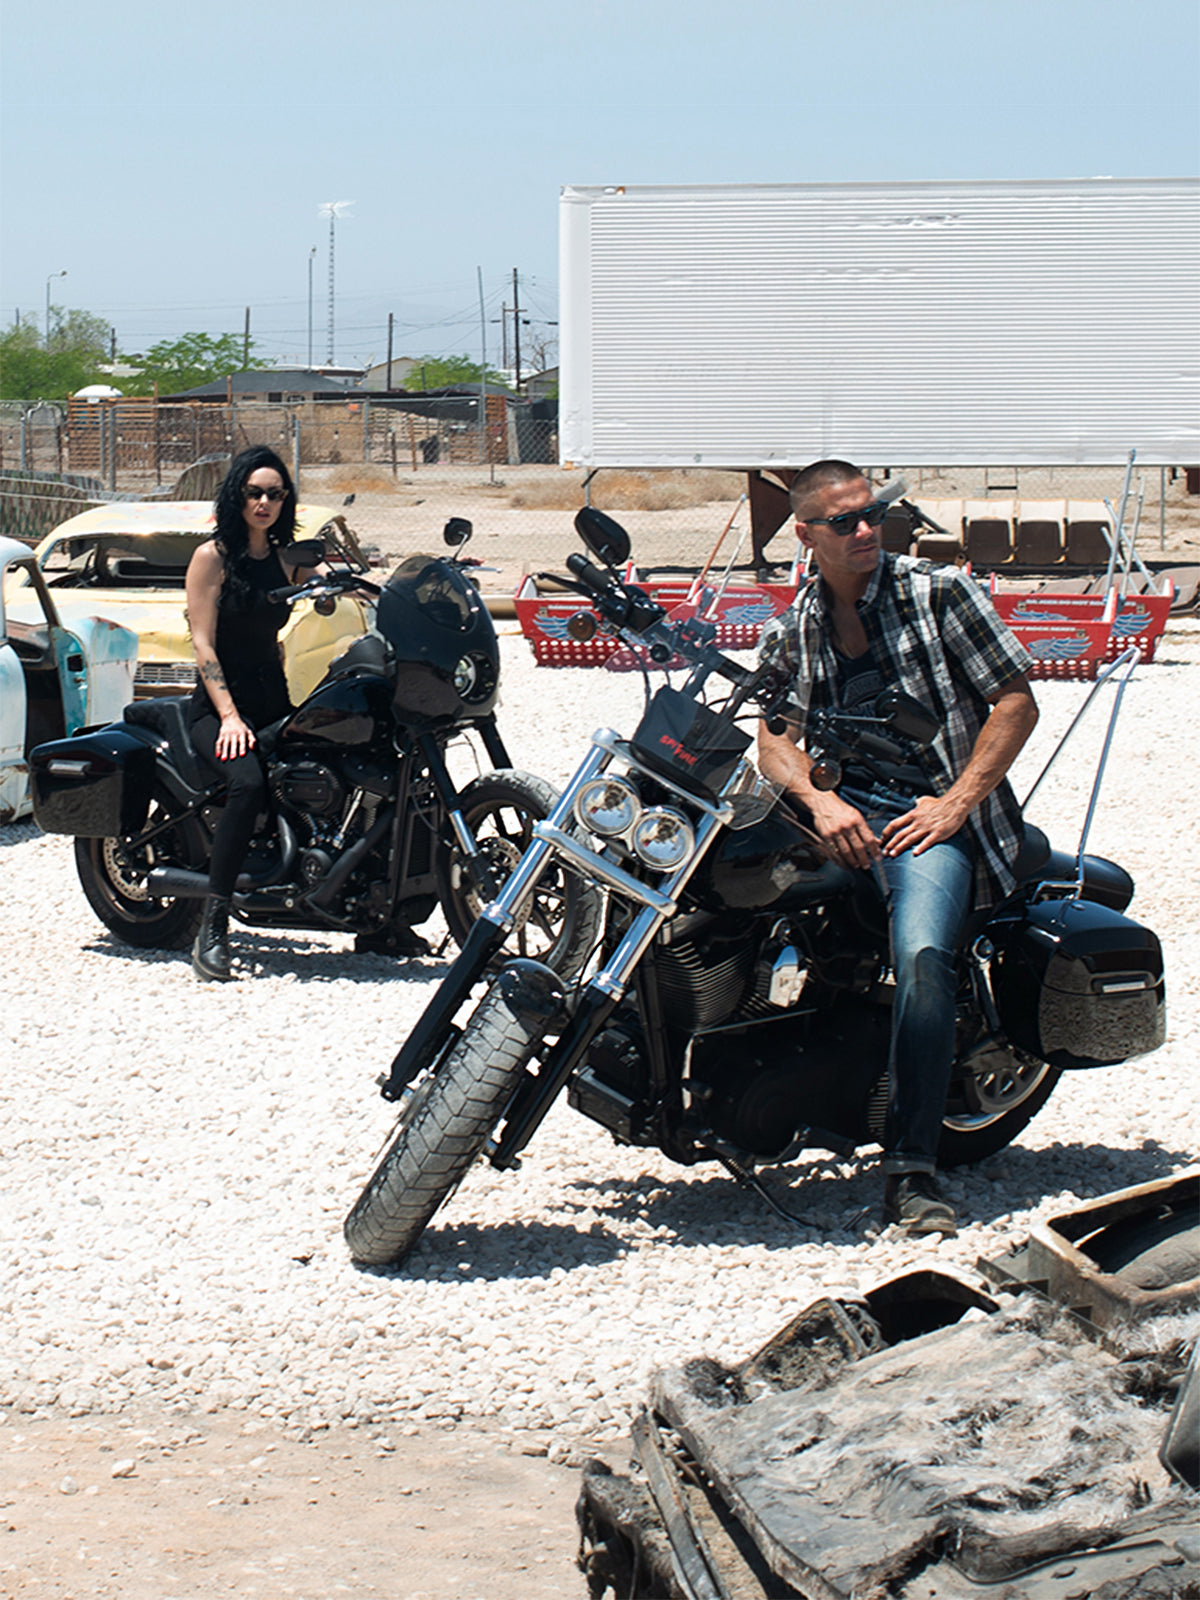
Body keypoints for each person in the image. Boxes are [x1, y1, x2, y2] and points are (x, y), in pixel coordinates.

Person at [757, 459, 1038, 1235]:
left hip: (929, 813)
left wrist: (954, 804)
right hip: (843, 809)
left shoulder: (939, 593)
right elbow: (774, 739)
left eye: (872, 514)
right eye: (844, 521)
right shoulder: (795, 623)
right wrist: (820, 801)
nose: (865, 530)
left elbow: (1015, 701)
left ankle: (912, 1170)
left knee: (920, 955)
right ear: (806, 534)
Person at [184, 446, 321, 982]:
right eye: (254, 492)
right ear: (237, 495)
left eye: (275, 494)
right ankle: (213, 927)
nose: (264, 502)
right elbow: (202, 643)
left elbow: (337, 583)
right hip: (219, 707)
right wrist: (229, 717)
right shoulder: (212, 557)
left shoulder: (288, 559)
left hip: (272, 700)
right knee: (247, 784)